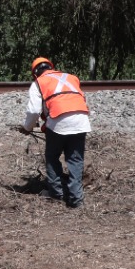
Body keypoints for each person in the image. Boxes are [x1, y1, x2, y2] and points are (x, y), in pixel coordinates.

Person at [19, 56, 92, 208]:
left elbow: (33, 111)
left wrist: (27, 128)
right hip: (81, 120)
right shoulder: (71, 77)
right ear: (51, 67)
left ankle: (56, 193)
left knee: (52, 157)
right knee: (75, 160)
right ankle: (76, 199)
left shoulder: (39, 82)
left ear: (35, 73)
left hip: (59, 122)